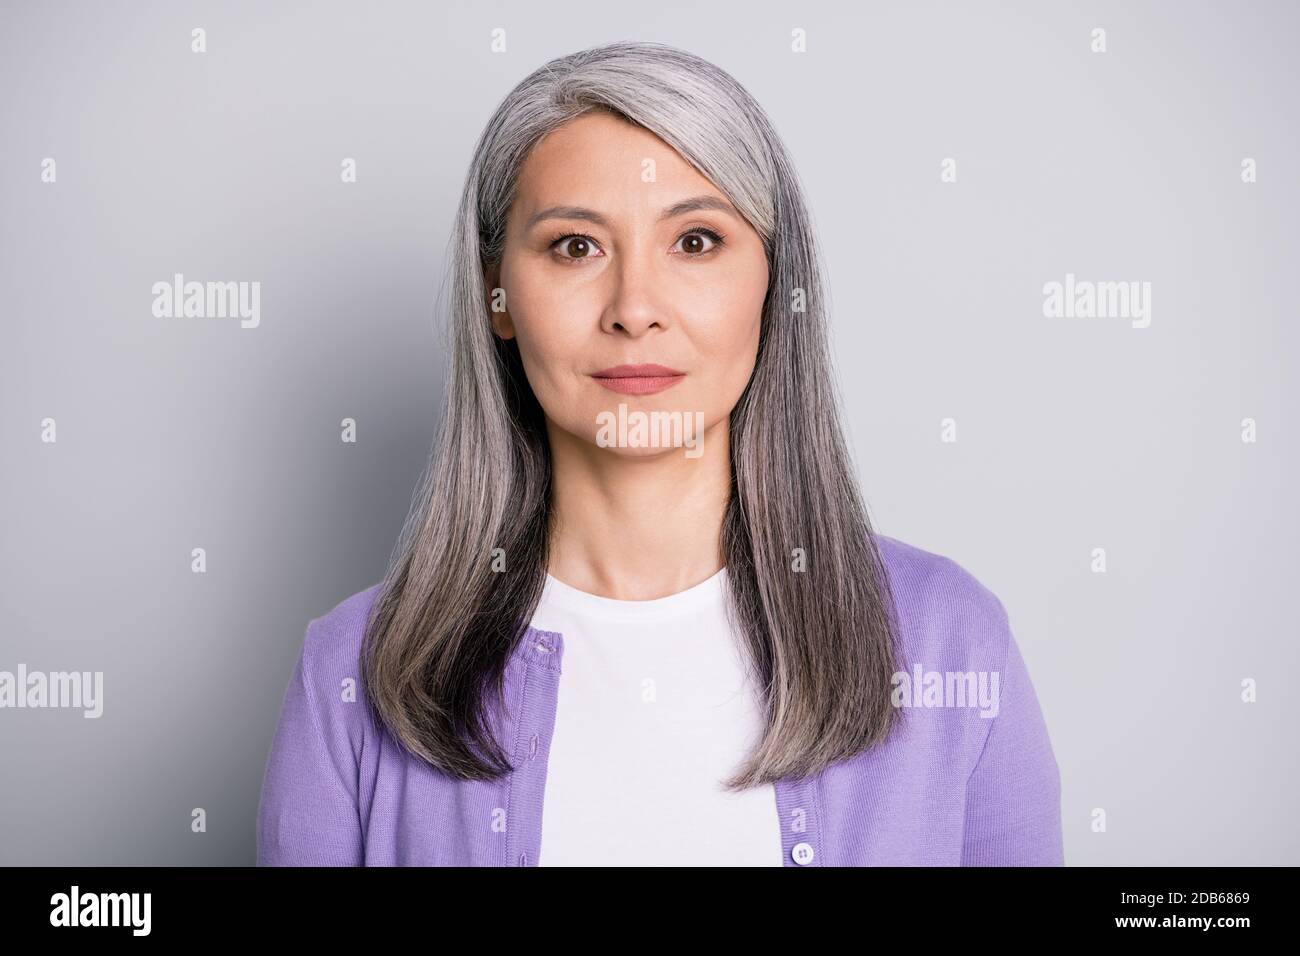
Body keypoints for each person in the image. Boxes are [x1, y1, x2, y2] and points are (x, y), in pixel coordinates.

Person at [257, 39, 1063, 866]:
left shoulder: (947, 640)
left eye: (696, 242)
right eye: (575, 246)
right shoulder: (352, 672)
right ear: (497, 293)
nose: (634, 309)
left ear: (773, 282)